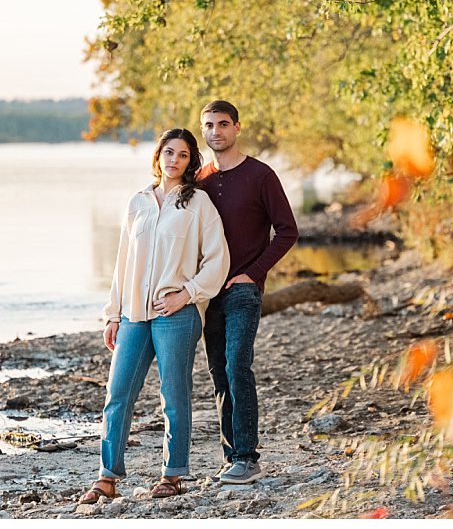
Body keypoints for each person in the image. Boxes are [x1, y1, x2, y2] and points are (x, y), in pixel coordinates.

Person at [79, 128, 230, 503]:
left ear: (190, 160)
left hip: (175, 315)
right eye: (168, 152)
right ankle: (107, 477)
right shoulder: (138, 202)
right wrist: (112, 314)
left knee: (173, 395)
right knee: (117, 394)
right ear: (158, 155)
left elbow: (218, 259)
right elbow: (122, 263)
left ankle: (172, 474)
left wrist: (188, 294)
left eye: (182, 154)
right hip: (133, 314)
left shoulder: (198, 204)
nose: (174, 160)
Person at [197, 100, 299, 484]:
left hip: (243, 289)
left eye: (223, 124)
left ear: (237, 128)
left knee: (238, 364)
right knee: (217, 372)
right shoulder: (199, 179)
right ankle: (231, 456)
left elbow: (288, 231)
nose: (216, 131)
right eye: (209, 125)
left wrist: (253, 273)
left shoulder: (261, 175)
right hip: (208, 293)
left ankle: (247, 458)